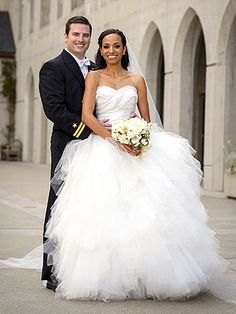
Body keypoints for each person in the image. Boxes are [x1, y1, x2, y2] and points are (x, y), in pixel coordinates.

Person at [43, 28, 227, 301]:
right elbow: (87, 114)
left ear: (124, 49)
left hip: (135, 147)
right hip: (103, 147)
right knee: (102, 212)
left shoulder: (137, 79)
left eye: (116, 46)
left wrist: (137, 139)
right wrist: (114, 139)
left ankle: (147, 275)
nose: (111, 51)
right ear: (101, 50)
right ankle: (107, 276)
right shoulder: (93, 76)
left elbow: (145, 118)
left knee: (145, 212)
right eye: (106, 46)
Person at [39, 16, 111, 291]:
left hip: (97, 149)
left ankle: (83, 266)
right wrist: (88, 130)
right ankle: (53, 269)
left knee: (88, 207)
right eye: (76, 35)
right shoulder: (52, 67)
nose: (81, 40)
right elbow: (54, 110)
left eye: (85, 36)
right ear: (66, 36)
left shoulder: (96, 68)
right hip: (69, 143)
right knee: (59, 207)